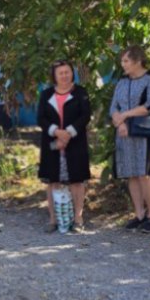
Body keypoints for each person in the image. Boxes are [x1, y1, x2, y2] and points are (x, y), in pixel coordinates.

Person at [109, 45, 150, 233]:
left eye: (126, 61)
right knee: (131, 173)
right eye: (122, 61)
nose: (123, 65)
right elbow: (113, 106)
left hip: (144, 132)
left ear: (138, 61)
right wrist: (119, 122)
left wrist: (125, 116)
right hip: (124, 132)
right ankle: (139, 214)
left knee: (144, 174)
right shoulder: (122, 81)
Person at [37, 60, 92, 232]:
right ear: (54, 76)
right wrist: (56, 132)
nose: (64, 75)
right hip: (52, 144)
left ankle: (78, 219)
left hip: (75, 143)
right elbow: (41, 118)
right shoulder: (46, 94)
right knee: (53, 181)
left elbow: (85, 116)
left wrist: (68, 133)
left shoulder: (81, 93)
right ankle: (53, 220)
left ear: (72, 73)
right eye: (60, 73)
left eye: (67, 72)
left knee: (77, 181)